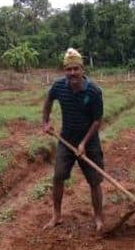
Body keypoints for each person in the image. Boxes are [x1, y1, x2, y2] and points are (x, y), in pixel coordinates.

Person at [42, 48, 105, 232]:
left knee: (95, 181)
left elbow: (97, 120)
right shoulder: (58, 87)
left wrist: (84, 143)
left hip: (89, 142)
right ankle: (56, 215)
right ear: (65, 71)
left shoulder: (93, 91)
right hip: (66, 140)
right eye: (68, 69)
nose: (72, 73)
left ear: (82, 69)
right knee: (58, 176)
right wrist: (45, 122)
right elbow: (48, 101)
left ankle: (99, 217)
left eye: (75, 69)